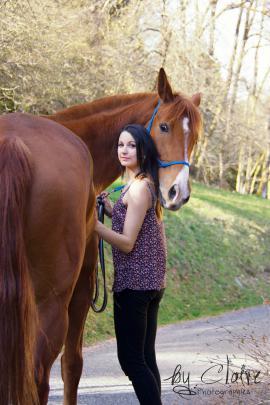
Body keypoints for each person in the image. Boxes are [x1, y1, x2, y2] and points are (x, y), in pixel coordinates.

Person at [94, 123, 167, 405]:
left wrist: (92, 226)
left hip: (136, 285)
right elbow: (134, 225)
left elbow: (126, 242)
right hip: (149, 283)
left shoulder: (138, 189)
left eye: (131, 145)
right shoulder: (142, 183)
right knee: (146, 357)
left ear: (143, 149)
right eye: (120, 145)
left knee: (132, 361)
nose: (124, 150)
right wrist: (112, 211)